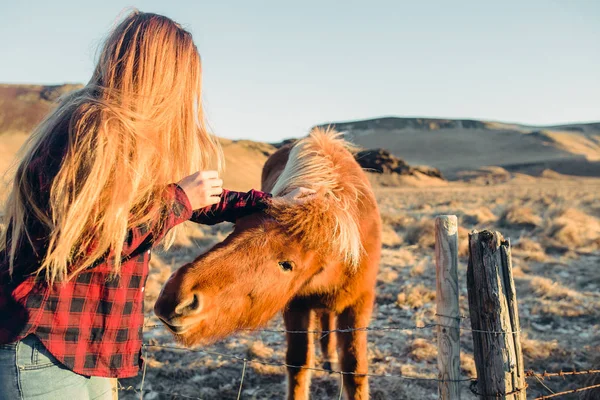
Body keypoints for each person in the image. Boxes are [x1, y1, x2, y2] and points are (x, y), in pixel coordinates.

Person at [0, 10, 313, 400]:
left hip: (85, 352)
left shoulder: (122, 137)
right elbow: (86, 242)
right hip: (47, 346)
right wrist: (180, 200)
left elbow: (178, 201)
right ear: (158, 73)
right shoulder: (91, 129)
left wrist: (272, 203)